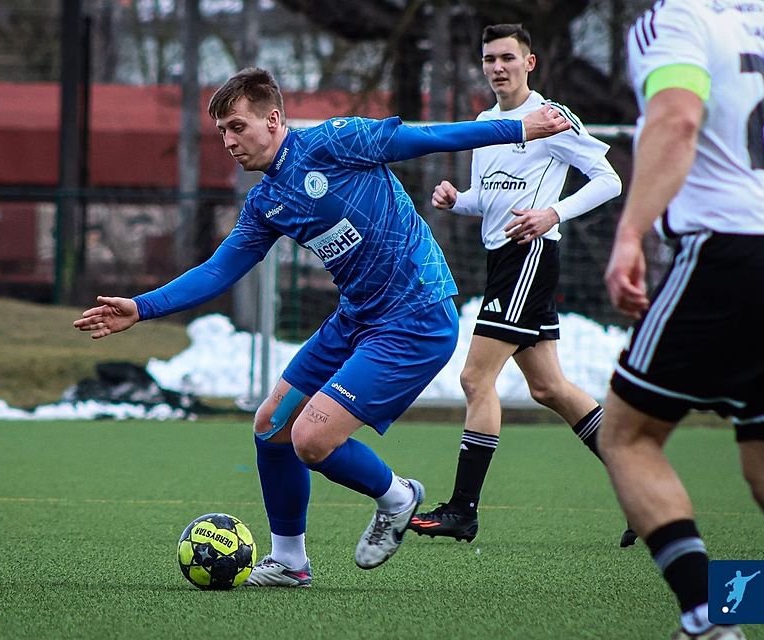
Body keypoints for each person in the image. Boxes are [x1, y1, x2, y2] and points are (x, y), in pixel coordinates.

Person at [73, 67, 571, 586]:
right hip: (356, 318)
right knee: (272, 426)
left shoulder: (335, 142)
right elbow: (219, 270)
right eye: (221, 131)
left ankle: (398, 497)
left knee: (310, 438)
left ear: (273, 119)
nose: (229, 141)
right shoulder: (265, 202)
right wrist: (142, 307)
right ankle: (290, 562)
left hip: (415, 317)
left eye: (237, 127)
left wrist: (519, 128)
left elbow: (428, 137)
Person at [598, 0, 764, 638]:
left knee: (627, 435)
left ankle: (709, 615)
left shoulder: (675, 20)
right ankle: (723, 612)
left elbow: (678, 119)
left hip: (730, 250)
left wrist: (630, 234)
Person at [406, 24, 630, 546]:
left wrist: (552, 213)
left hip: (530, 256)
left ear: (530, 63)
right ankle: (644, 490)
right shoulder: (487, 123)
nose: (497, 67)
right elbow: (488, 198)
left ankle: (462, 510)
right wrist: (456, 200)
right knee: (549, 388)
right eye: (490, 59)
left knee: (474, 378)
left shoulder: (552, 118)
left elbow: (609, 180)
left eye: (508, 57)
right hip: (503, 261)